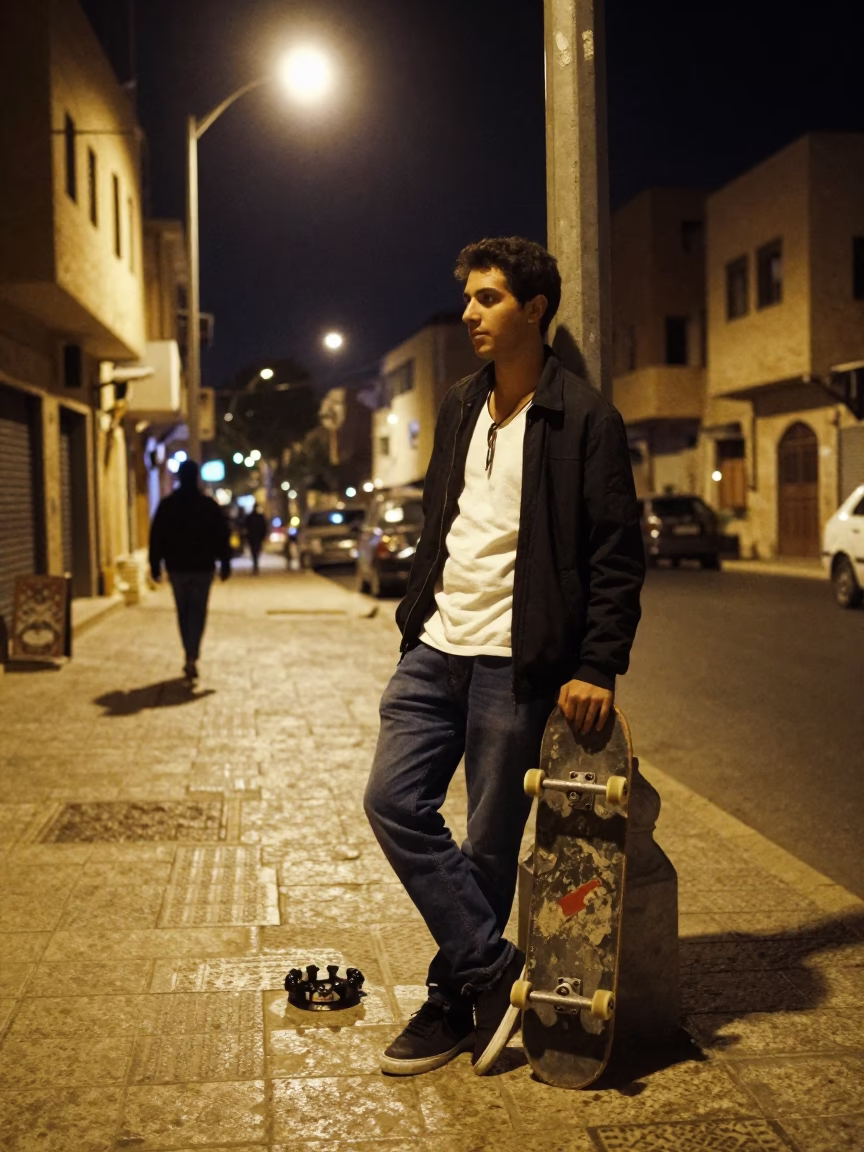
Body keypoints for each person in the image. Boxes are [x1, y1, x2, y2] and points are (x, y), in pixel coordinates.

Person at [363, 237, 645, 1077]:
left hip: (514, 664)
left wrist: (596, 665)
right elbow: (442, 524)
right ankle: (497, 971)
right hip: (436, 647)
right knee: (392, 801)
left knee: (489, 844)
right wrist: (418, 613)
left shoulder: (585, 419)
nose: (470, 314)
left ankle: (453, 1005)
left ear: (534, 309)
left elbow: (615, 555)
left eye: (488, 298)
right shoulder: (457, 406)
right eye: (469, 298)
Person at [149, 459, 231, 682]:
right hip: (202, 568)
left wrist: (155, 565)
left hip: (178, 568)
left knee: (183, 613)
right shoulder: (208, 505)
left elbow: (157, 537)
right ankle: (192, 653)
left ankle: (189, 652)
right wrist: (225, 563)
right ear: (196, 477)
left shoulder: (168, 505)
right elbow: (221, 536)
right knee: (198, 612)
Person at [245, 505, 268, 575]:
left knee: (255, 551)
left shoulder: (257, 517)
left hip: (256, 537)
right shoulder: (253, 517)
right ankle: (255, 565)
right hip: (254, 537)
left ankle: (255, 565)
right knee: (255, 551)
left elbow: (264, 527)